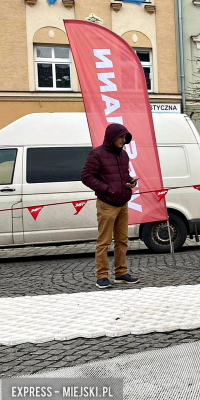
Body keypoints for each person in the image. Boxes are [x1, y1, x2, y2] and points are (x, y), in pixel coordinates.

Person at [81, 124, 140, 290]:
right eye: (121, 137)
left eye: (125, 137)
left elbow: (122, 175)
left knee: (122, 240)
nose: (124, 140)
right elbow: (86, 176)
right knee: (104, 242)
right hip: (107, 204)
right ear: (112, 137)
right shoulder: (97, 154)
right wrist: (107, 189)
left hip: (123, 203)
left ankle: (121, 273)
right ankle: (102, 276)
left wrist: (129, 182)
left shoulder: (123, 155)